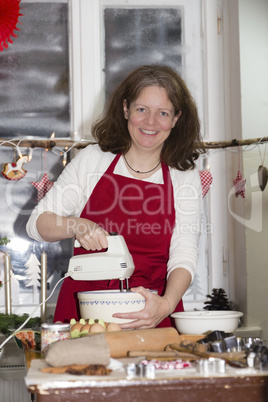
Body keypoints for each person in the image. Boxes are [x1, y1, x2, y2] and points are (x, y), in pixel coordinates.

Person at [26, 65, 203, 329]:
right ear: (125, 109)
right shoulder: (94, 160)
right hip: (84, 311)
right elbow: (36, 224)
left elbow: (184, 254)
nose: (150, 122)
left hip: (151, 311)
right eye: (142, 109)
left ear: (176, 119)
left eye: (163, 113)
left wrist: (165, 306)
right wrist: (77, 224)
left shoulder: (183, 176)